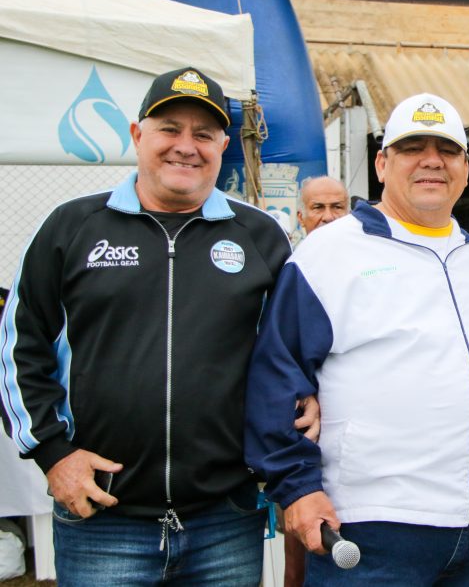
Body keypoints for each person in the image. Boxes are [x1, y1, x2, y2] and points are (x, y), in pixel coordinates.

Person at [0, 67, 292, 585]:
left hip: (226, 519)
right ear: (138, 136)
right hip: (102, 517)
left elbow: (287, 352)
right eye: (169, 129)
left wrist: (307, 394)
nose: (187, 146)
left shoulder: (260, 236)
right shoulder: (73, 227)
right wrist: (52, 454)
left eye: (203, 134)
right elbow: (19, 348)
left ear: (223, 145)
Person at [245, 92, 469, 586]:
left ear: (465, 167)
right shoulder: (329, 253)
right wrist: (297, 486)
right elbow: (277, 372)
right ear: (381, 162)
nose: (431, 160)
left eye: (447, 149)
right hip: (371, 523)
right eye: (413, 146)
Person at [283, 175, 349, 587]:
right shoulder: (289, 266)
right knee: (298, 549)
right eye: (318, 208)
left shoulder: (368, 259)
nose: (327, 217)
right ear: (300, 215)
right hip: (302, 435)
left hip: (351, 437)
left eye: (337, 207)